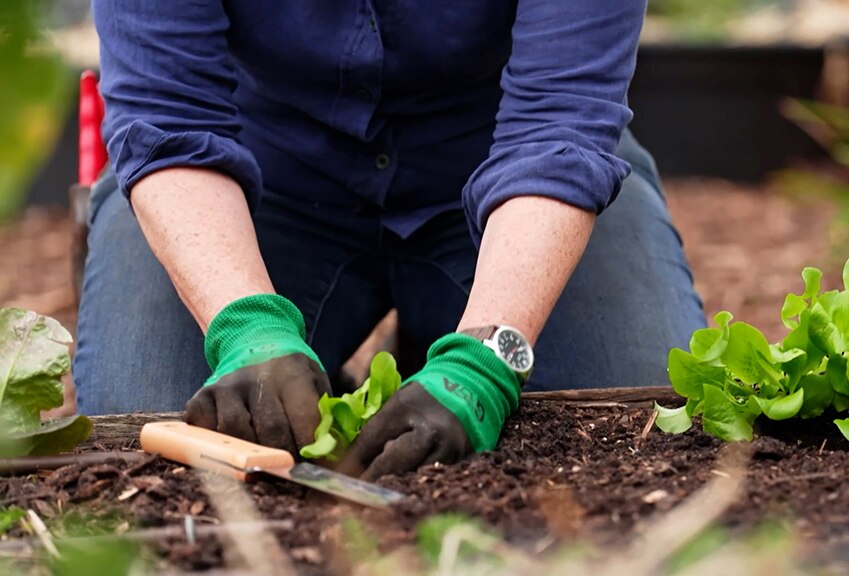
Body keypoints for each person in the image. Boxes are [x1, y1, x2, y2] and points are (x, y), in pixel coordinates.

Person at [79, 1, 705, 479]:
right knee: (151, 416)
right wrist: (245, 325)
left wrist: (485, 359)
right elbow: (170, 111)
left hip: (511, 171)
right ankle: (344, 370)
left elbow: (559, 119)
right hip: (253, 175)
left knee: (634, 414)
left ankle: (438, 344)